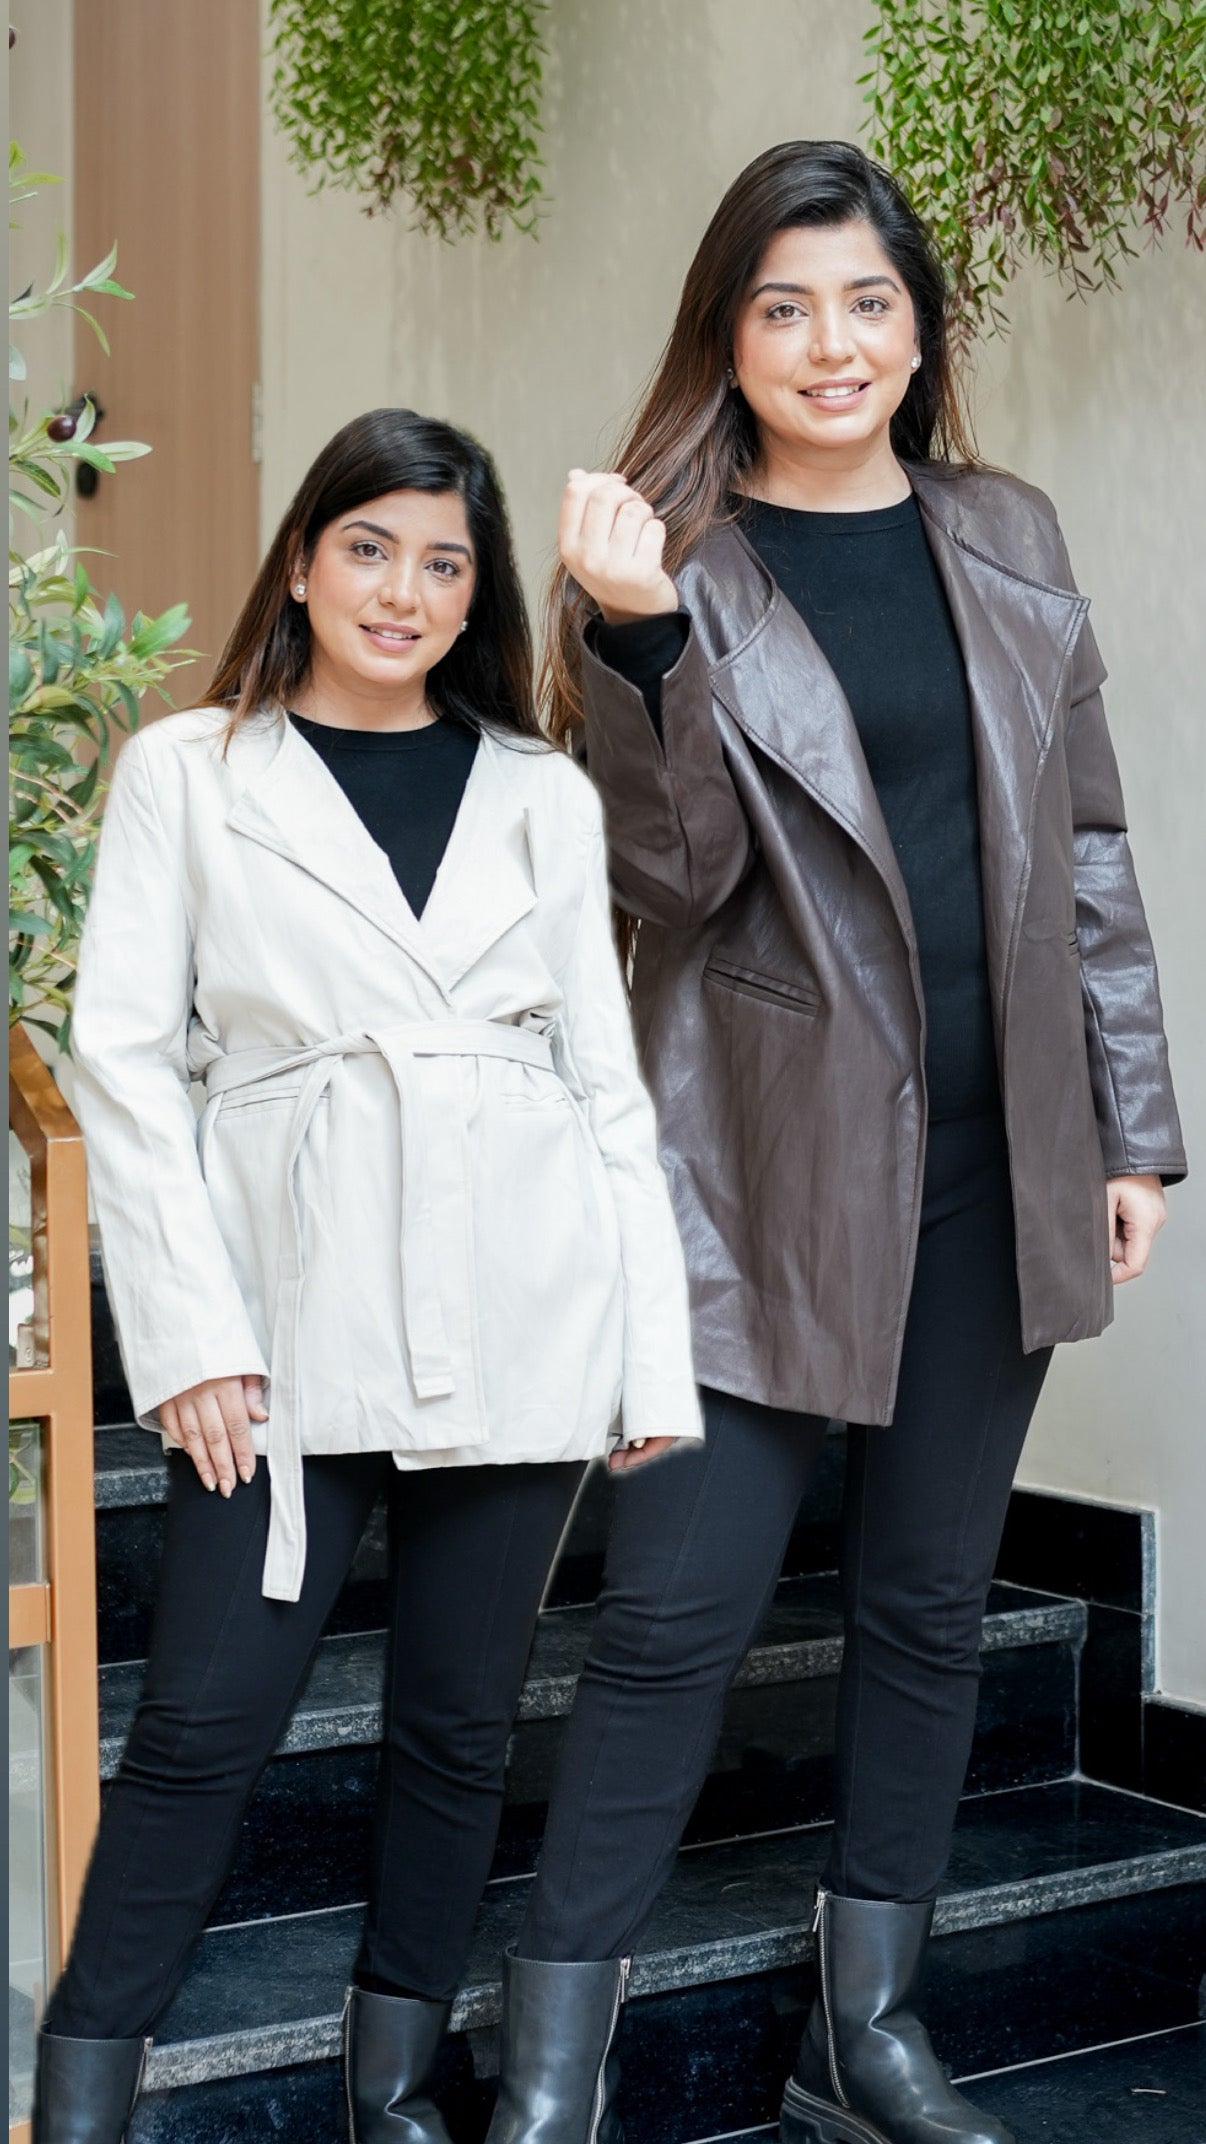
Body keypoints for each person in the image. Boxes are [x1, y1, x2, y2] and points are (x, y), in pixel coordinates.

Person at [484, 143, 1186, 2144]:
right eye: (783, 306)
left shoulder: (1007, 532)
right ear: (727, 336)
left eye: (867, 302)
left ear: (920, 328)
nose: (830, 343)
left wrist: (1130, 1127)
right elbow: (674, 879)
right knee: (670, 1621)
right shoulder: (668, 569)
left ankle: (862, 2034)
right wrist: (638, 644)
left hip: (994, 1154)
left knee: (930, 1604)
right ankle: (550, 2075)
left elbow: (1087, 850)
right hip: (747, 1173)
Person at [35, 408, 701, 2144]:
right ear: (302, 562)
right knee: (204, 1722)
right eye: (369, 548)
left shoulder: (541, 792)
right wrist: (190, 1337)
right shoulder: (188, 769)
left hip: (524, 1281)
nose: (402, 591)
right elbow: (124, 1062)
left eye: (444, 562)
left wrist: (646, 1354)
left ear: (478, 594)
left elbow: (604, 1082)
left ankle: (392, 2085)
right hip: (283, 1297)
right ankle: (83, 2096)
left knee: (460, 1726)